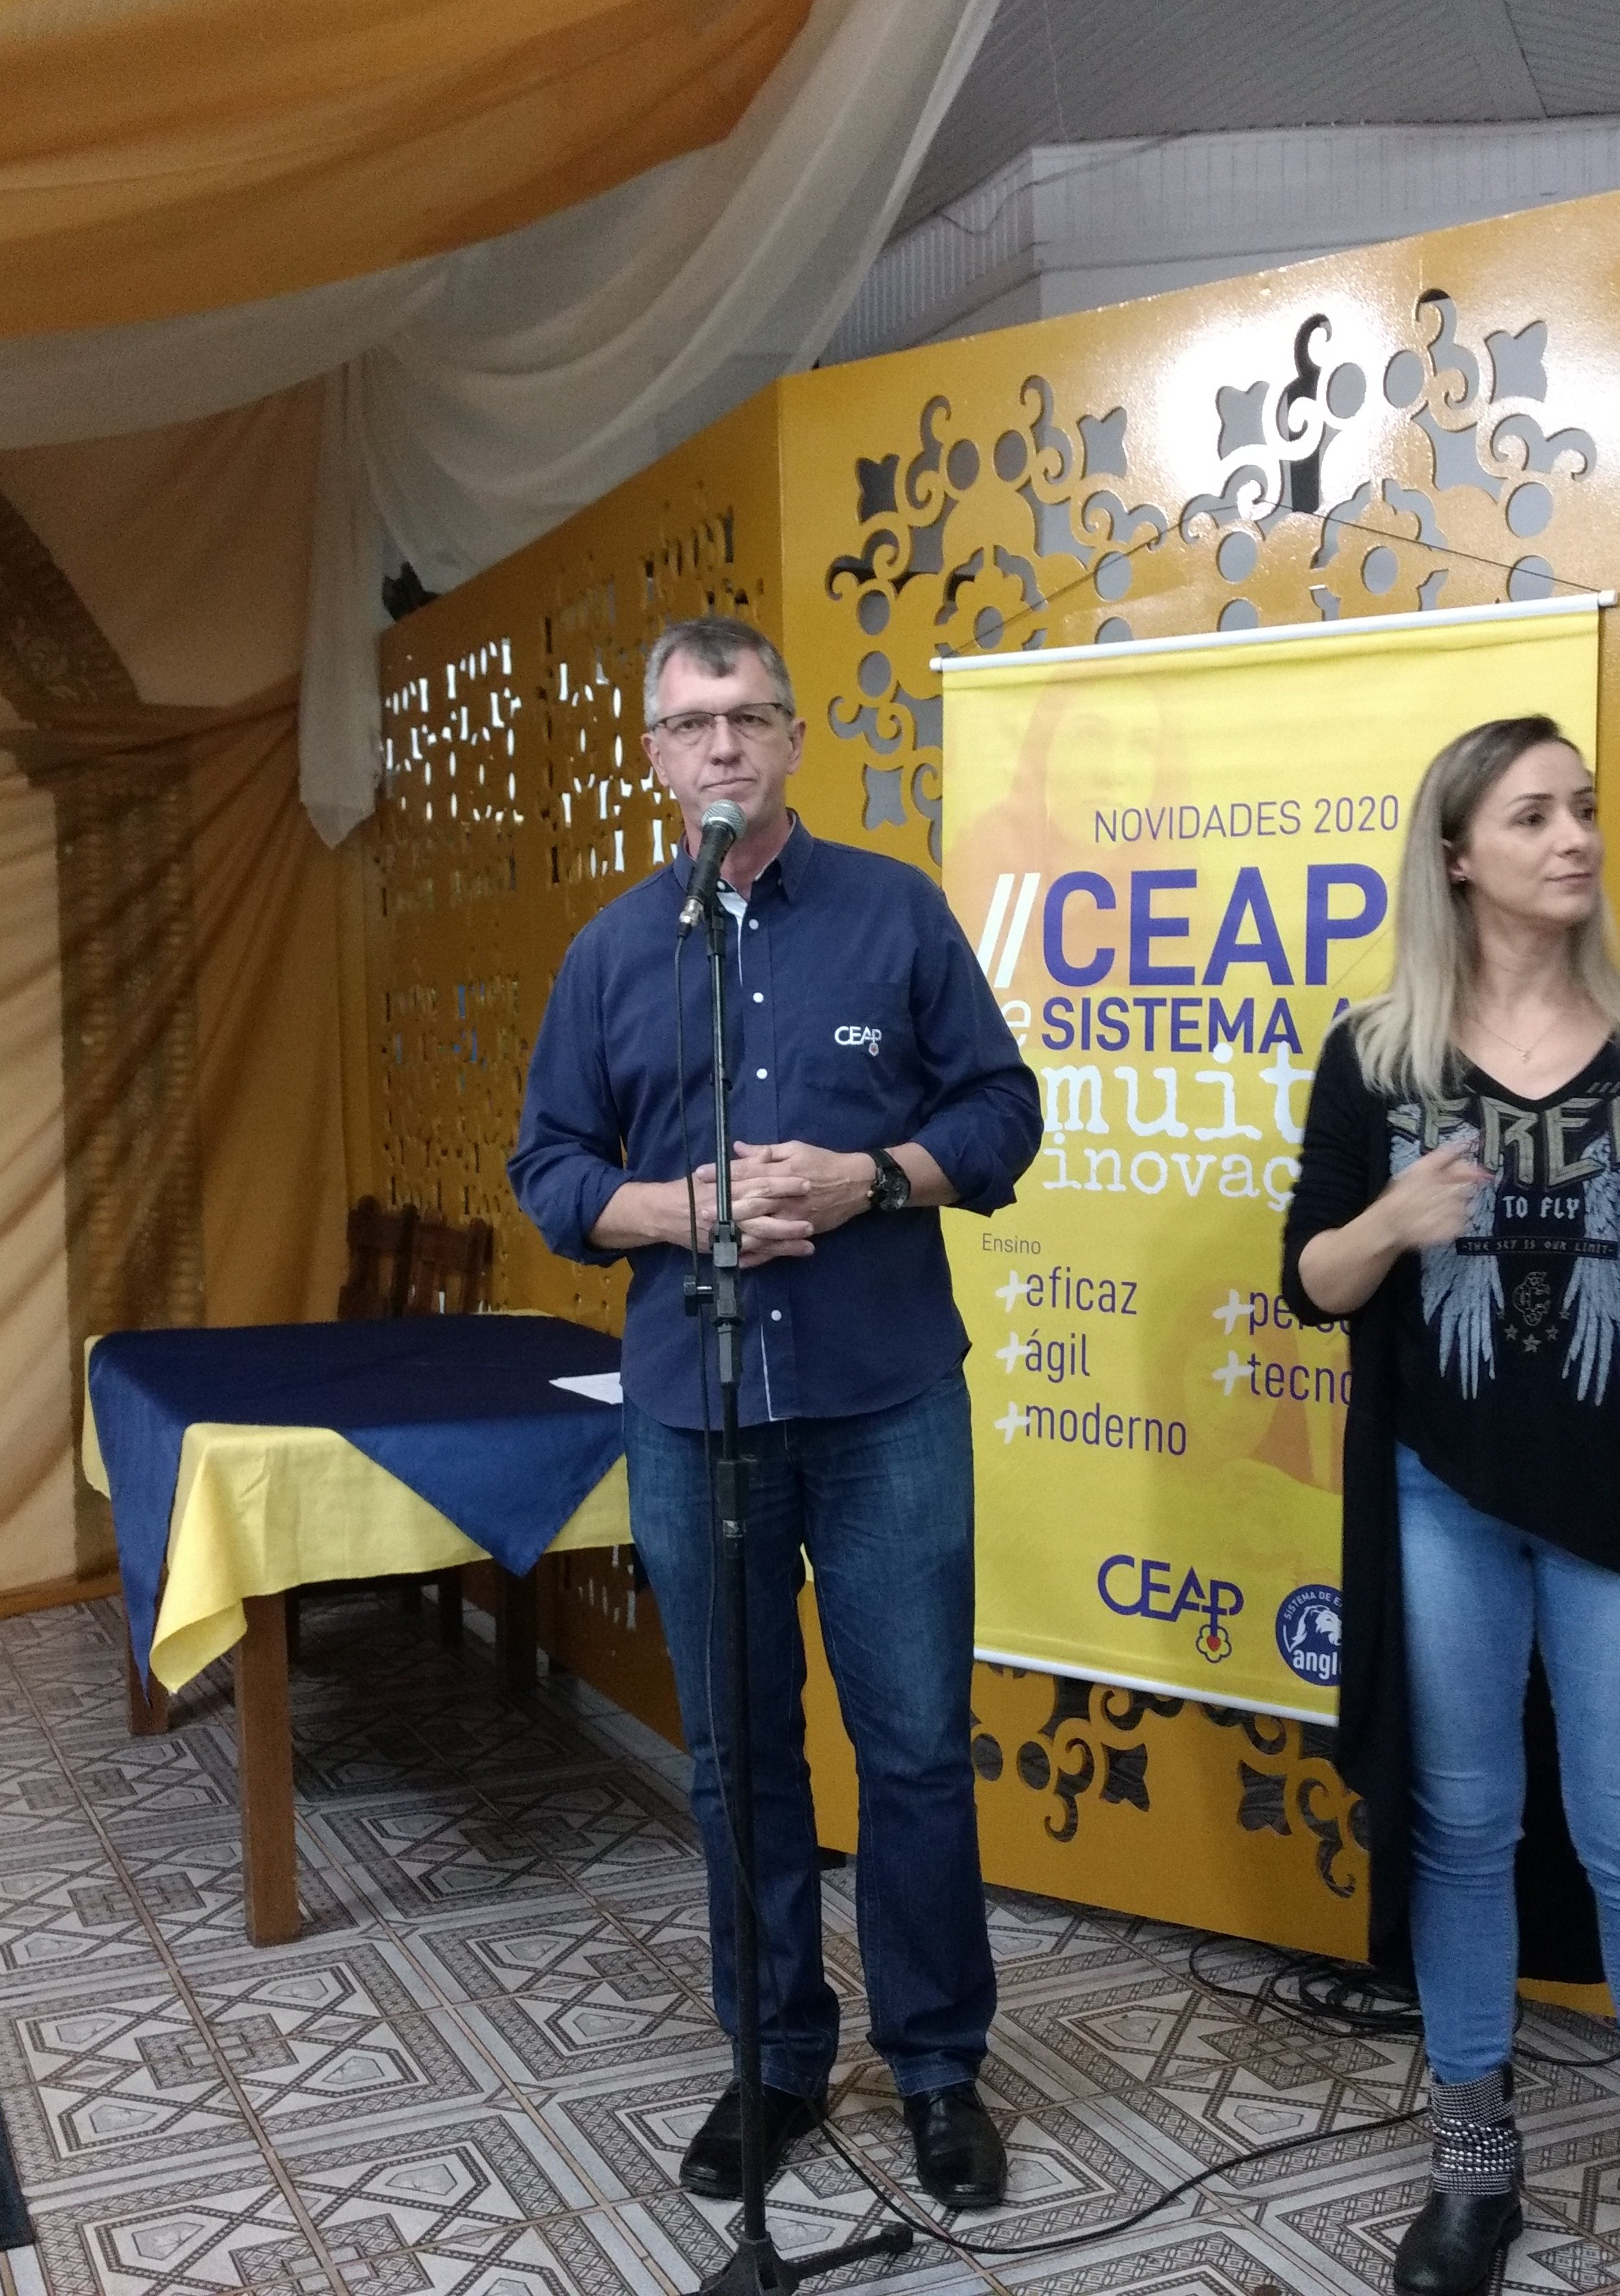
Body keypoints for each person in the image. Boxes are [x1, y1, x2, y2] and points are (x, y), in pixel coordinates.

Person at [1278, 717, 1620, 2296]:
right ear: (1458, 856)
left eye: (1581, 808)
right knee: (1461, 1824)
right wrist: (1388, 1219)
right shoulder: (1376, 1057)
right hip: (1439, 1495)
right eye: (1530, 816)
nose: (1573, 838)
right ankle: (1472, 2167)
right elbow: (1313, 1280)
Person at [511, 614, 1042, 2212]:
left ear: (794, 737)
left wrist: (873, 1177)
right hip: (695, 1409)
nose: (723, 745)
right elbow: (549, 1171)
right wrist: (667, 1212)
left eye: (748, 715)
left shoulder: (895, 912)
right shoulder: (610, 954)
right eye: (692, 723)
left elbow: (1003, 1112)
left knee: (916, 1749)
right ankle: (778, 2060)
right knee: (740, 1759)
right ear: (656, 757)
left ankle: (937, 2066)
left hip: (886, 1398)